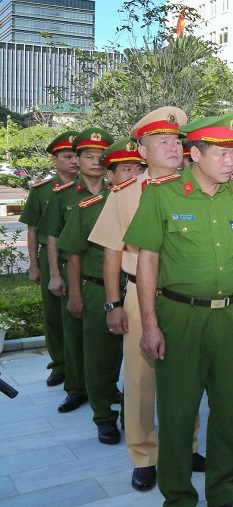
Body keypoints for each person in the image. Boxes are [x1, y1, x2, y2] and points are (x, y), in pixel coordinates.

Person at [124, 112, 233, 507]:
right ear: (195, 154)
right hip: (180, 317)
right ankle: (177, 505)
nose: (231, 161)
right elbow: (147, 261)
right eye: (221, 154)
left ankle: (224, 493)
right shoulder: (162, 195)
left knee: (229, 409)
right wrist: (150, 324)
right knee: (177, 413)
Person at [88, 107, 204, 493]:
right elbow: (112, 252)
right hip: (141, 294)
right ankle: (144, 455)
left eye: (176, 141)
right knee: (140, 378)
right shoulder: (126, 194)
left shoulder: (200, 188)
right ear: (142, 150)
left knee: (187, 375)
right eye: (162, 141)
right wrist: (113, 304)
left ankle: (186, 446)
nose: (172, 147)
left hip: (188, 295)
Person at [56, 137, 144, 443]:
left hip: (138, 291)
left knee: (138, 361)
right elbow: (74, 254)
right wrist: (75, 294)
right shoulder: (90, 208)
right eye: (126, 169)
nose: (133, 174)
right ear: (110, 174)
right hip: (98, 290)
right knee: (100, 358)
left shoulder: (150, 201)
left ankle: (130, 415)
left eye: (138, 168)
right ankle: (104, 416)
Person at [40, 127, 117, 414]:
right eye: (88, 156)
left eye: (101, 156)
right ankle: (76, 388)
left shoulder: (116, 193)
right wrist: (55, 275)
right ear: (79, 159)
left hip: (105, 276)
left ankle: (107, 386)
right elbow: (52, 237)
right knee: (74, 333)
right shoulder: (63, 195)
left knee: (108, 338)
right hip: (72, 273)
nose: (95, 162)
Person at [19, 130, 79, 387]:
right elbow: (32, 230)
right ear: (55, 160)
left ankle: (81, 366)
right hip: (50, 258)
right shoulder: (42, 190)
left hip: (81, 257)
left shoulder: (91, 188)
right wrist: (34, 265)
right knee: (54, 315)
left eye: (77, 156)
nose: (74, 161)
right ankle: (60, 364)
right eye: (67, 156)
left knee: (80, 313)